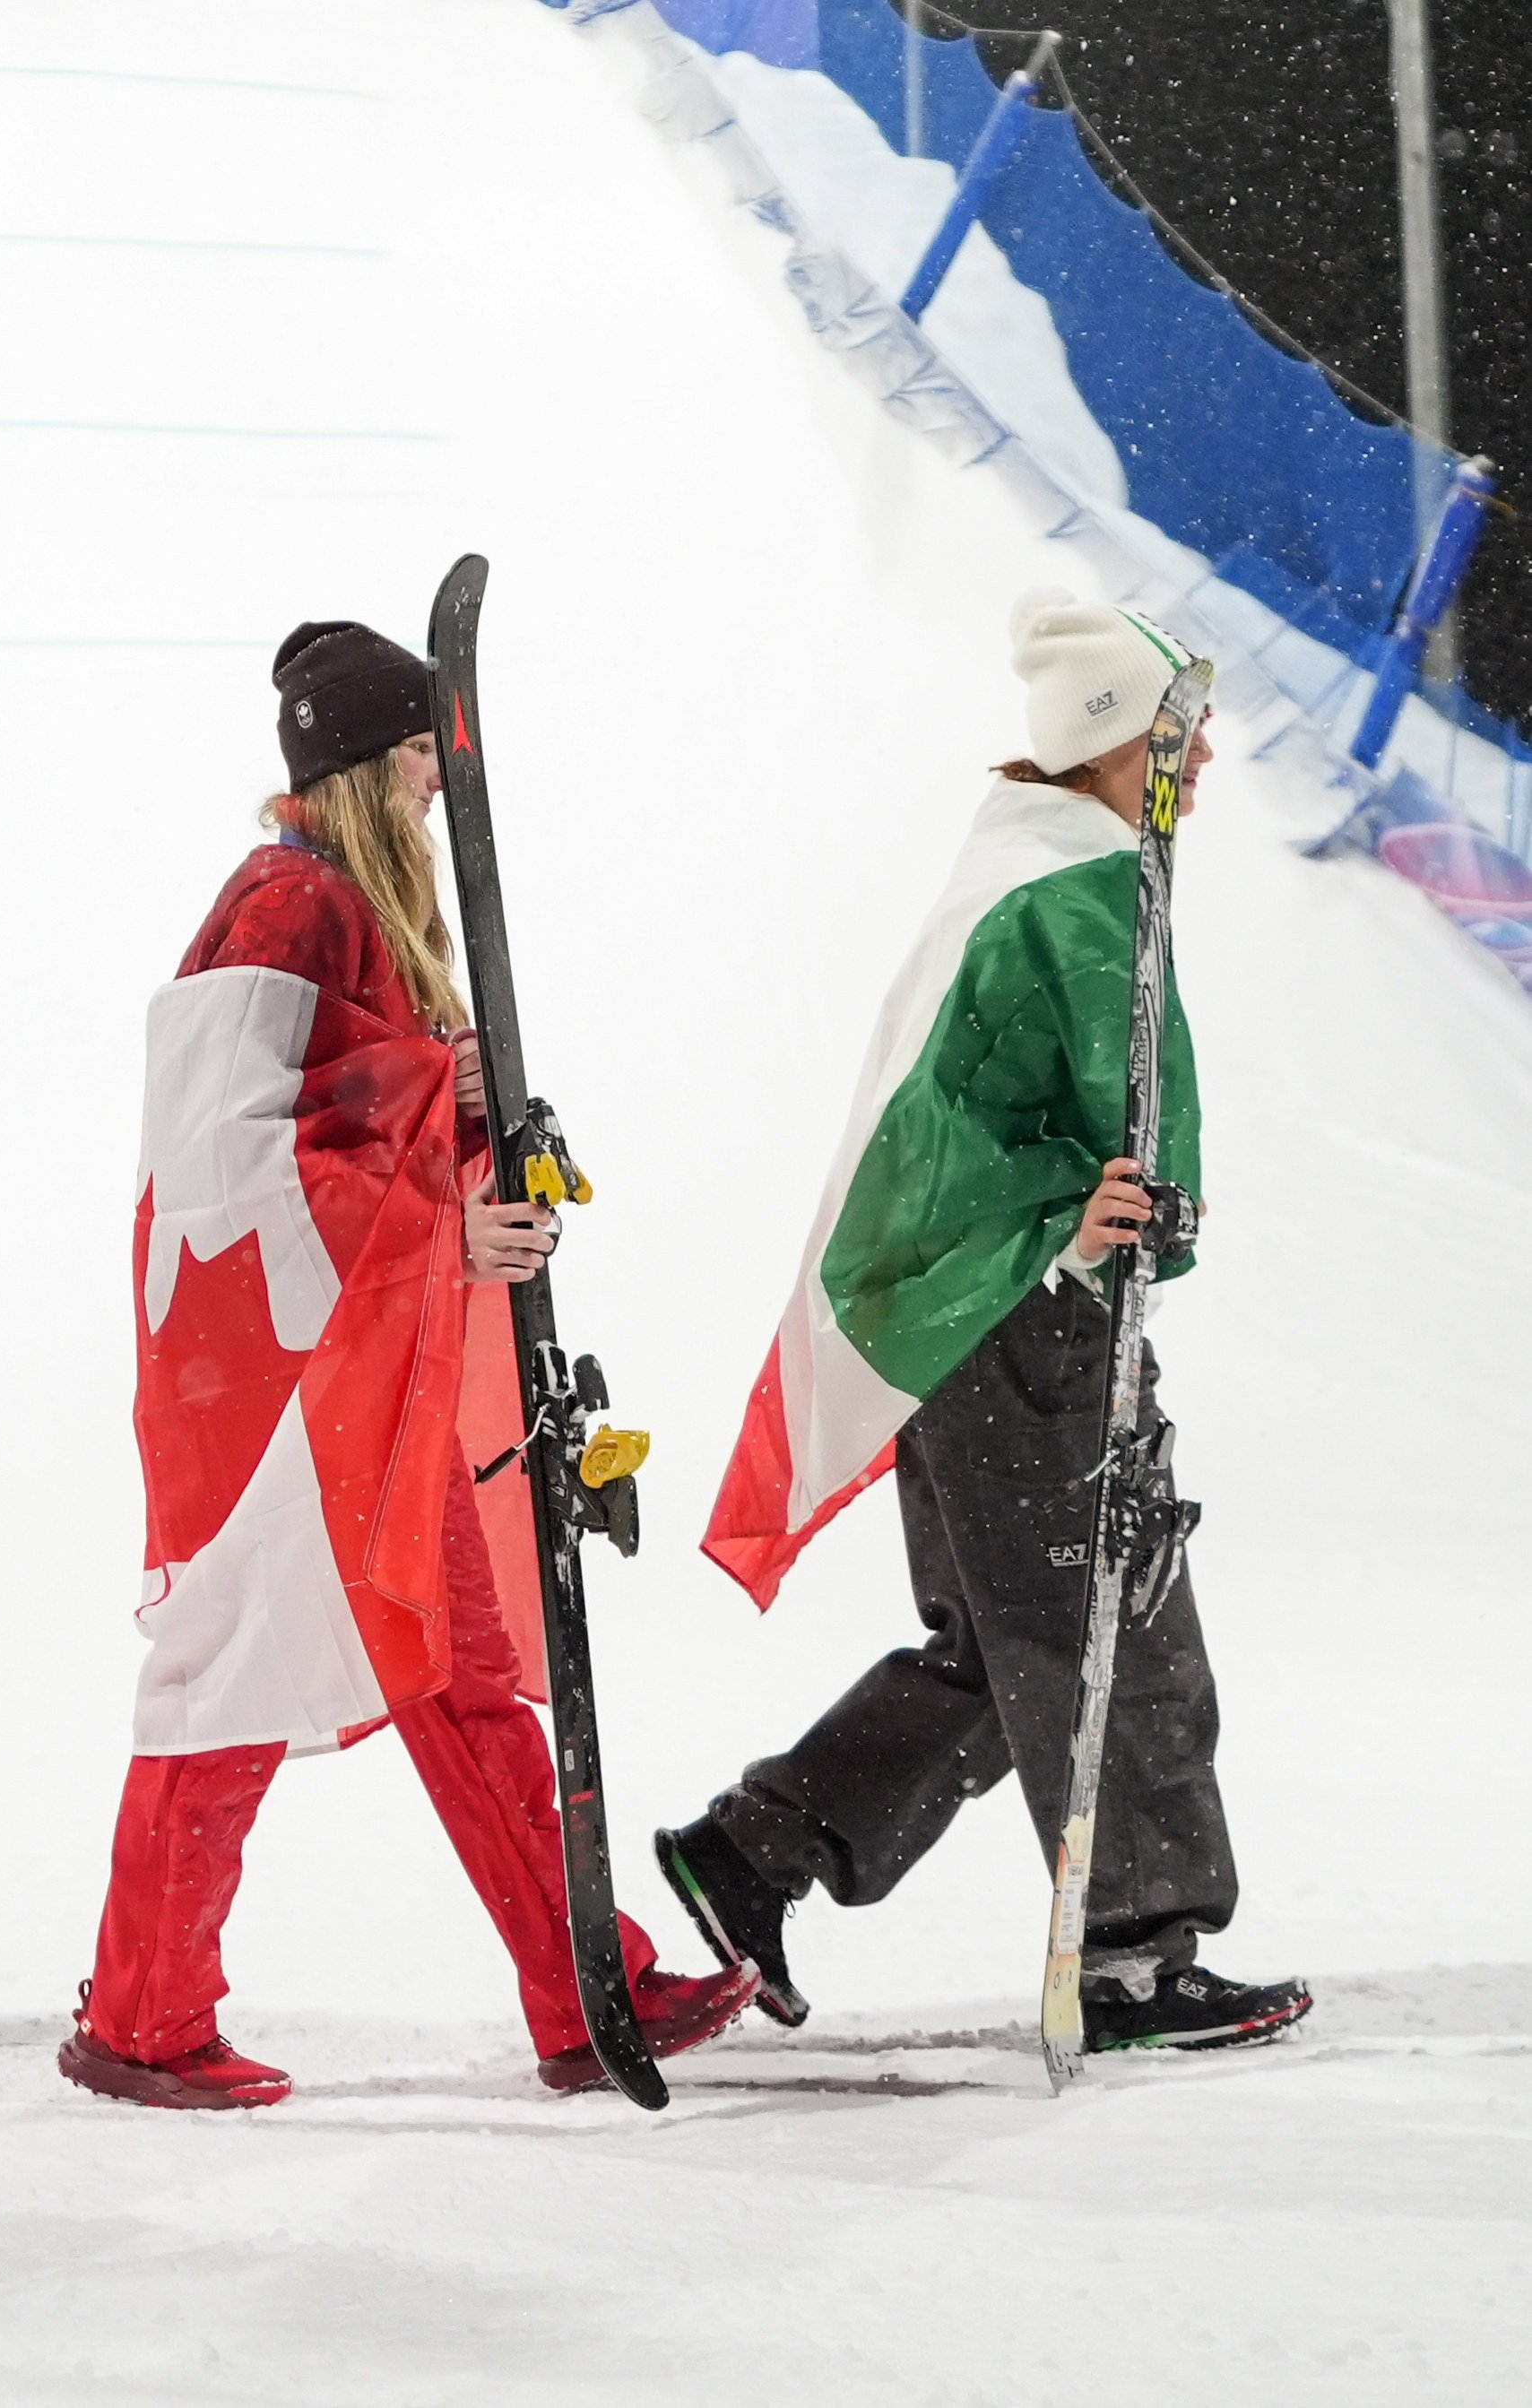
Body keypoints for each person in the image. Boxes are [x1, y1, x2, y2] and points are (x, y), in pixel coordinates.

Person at [60, 619, 758, 2109]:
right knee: (232, 1682)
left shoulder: (346, 911)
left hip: (358, 1384)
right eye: (423, 767)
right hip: (278, 1399)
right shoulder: (283, 907)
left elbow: (354, 1117)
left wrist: (465, 1131)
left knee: (465, 1677)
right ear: (370, 768)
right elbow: (229, 1173)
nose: (443, 795)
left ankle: (586, 1987)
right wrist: (444, 1231)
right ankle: (141, 2015)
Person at [671, 590, 1307, 2056]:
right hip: (1023, 1316)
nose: (1201, 757)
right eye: (1178, 732)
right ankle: (1139, 1956)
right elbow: (1097, 1136)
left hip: (950, 1322)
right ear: (1112, 741)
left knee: (1003, 1645)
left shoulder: (1015, 853)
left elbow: (946, 1120)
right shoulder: (1086, 887)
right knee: (1111, 1617)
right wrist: (1082, 1223)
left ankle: (753, 1851)